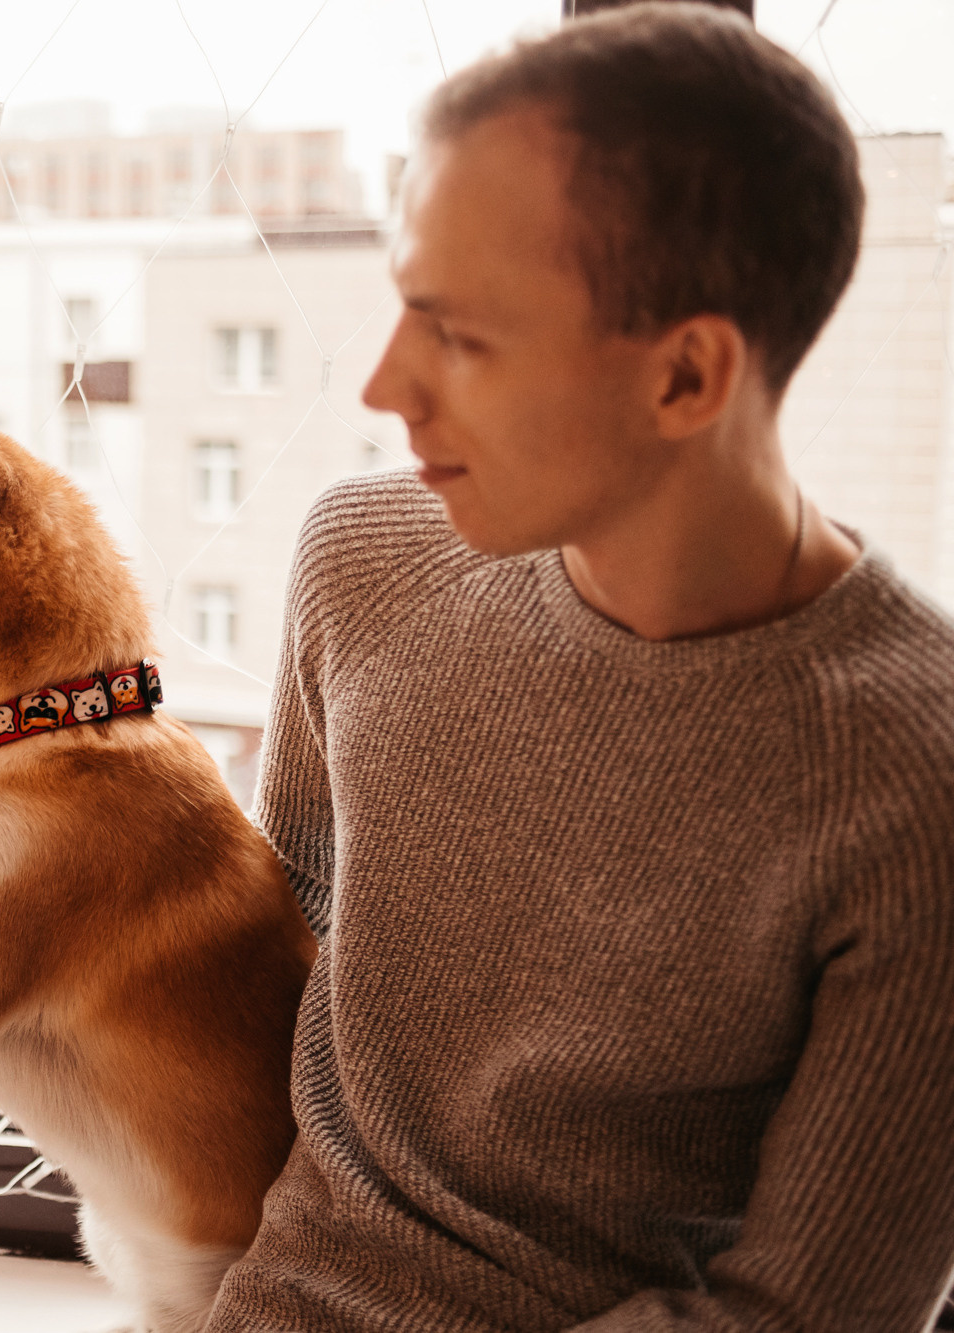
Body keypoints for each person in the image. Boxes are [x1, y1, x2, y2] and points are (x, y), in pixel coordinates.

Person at [200, 7, 954, 1330]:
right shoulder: (364, 560)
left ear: (685, 376)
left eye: (461, 333)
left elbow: (803, 1315)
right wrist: (38, 1030)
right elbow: (267, 948)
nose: (384, 384)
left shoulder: (914, 772)